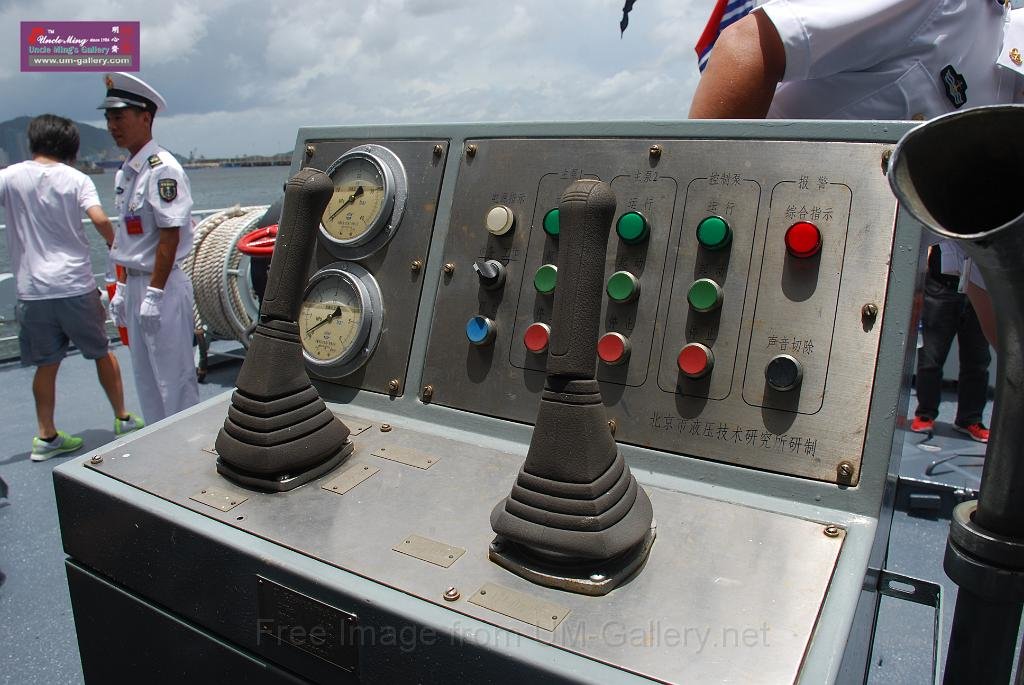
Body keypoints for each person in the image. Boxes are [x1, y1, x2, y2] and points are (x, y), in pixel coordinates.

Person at [688, 0, 1020, 432]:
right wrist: (696, 253)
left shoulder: (1008, 120)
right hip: (731, 274)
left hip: (829, 328)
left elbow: (1005, 329)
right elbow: (749, 47)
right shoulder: (952, 9)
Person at [0, 114, 144, 461]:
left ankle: (46, 436)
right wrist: (118, 250)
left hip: (32, 291)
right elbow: (97, 218)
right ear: (70, 147)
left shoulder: (9, 177)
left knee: (46, 365)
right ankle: (123, 418)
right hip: (74, 285)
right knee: (101, 353)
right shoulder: (76, 179)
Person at [100, 73, 200, 423]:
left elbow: (169, 235)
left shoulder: (163, 170)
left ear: (145, 117)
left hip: (164, 285)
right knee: (145, 377)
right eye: (109, 118)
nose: (113, 126)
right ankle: (159, 445)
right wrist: (122, 287)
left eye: (120, 117)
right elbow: (129, 239)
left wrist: (154, 293)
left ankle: (187, 447)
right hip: (136, 284)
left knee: (174, 378)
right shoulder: (126, 173)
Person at [912, 245, 991, 442]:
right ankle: (925, 413)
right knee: (931, 356)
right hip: (941, 286)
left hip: (981, 290)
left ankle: (970, 419)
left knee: (978, 360)